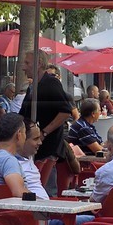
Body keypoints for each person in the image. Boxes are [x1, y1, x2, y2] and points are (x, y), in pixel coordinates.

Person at [22, 56, 74, 190]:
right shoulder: (32, 87)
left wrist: (44, 132)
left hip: (47, 147)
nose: (23, 67)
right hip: (35, 147)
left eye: (27, 62)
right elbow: (23, 115)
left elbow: (65, 111)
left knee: (45, 187)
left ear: (38, 64)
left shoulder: (51, 83)